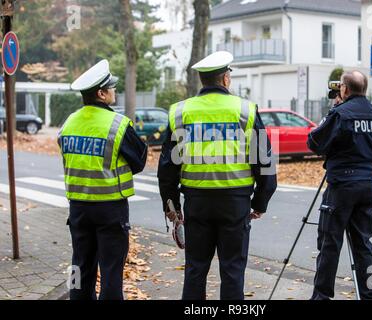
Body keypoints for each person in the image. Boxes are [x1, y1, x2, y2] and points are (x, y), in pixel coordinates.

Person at [158, 51, 277, 300]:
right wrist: (259, 203)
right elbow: (264, 164)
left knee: (195, 268)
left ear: (203, 80)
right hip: (235, 204)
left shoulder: (180, 112)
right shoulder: (246, 110)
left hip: (196, 203)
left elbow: (167, 167)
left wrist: (172, 205)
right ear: (225, 79)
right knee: (233, 269)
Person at [57, 60, 147, 300]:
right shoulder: (117, 124)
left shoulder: (68, 123)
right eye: (111, 88)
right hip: (110, 210)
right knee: (111, 270)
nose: (114, 92)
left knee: (79, 266)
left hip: (78, 209)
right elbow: (139, 160)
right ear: (101, 93)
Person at [307, 71, 372, 300]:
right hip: (368, 185)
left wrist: (333, 111)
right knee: (364, 244)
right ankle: (371, 294)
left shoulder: (341, 114)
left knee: (330, 243)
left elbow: (314, 141)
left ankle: (321, 296)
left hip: (342, 186)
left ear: (344, 89)